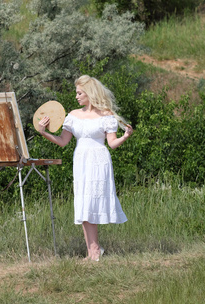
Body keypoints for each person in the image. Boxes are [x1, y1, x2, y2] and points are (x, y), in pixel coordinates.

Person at [37, 75, 133, 261]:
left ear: (89, 93)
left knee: (92, 202)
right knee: (83, 204)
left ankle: (94, 252)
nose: (76, 96)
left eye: (79, 93)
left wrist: (126, 136)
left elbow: (112, 144)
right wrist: (44, 132)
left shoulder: (106, 115)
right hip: (81, 160)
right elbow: (63, 141)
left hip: (99, 161)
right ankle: (93, 252)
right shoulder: (73, 115)